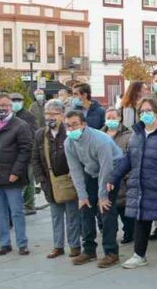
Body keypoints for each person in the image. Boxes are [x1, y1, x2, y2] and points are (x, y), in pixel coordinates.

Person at [109, 98, 157, 271]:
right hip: (141, 187)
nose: (145, 114)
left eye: (148, 111)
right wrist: (113, 177)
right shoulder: (137, 135)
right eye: (142, 111)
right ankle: (139, 255)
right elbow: (128, 159)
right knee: (141, 221)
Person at [64, 110, 125, 268]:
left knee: (106, 210)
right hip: (91, 171)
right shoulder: (68, 143)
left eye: (75, 125)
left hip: (111, 171)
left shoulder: (100, 140)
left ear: (84, 124)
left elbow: (106, 168)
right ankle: (89, 250)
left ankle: (111, 252)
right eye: (68, 126)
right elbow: (75, 170)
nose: (71, 129)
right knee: (85, 208)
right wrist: (82, 196)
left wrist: (103, 196)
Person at [0, 92, 34, 256]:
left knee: (16, 212)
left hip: (12, 176)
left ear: (11, 106)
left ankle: (22, 243)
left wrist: (16, 172)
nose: (1, 109)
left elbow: (26, 150)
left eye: (5, 105)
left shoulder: (20, 125)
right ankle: (4, 243)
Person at [32, 99, 81, 259]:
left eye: (53, 114)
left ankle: (74, 245)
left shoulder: (69, 132)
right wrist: (41, 179)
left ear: (61, 115)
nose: (49, 117)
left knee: (72, 216)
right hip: (50, 182)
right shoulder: (41, 134)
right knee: (56, 216)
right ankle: (58, 246)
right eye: (47, 114)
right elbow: (35, 159)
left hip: (69, 181)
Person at [103, 108, 134, 245]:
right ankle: (110, 233)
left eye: (113, 117)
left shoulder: (128, 135)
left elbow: (131, 157)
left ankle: (129, 233)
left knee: (124, 207)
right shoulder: (100, 134)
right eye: (108, 117)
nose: (110, 120)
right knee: (108, 208)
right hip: (105, 176)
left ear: (120, 118)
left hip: (123, 178)